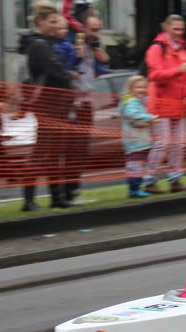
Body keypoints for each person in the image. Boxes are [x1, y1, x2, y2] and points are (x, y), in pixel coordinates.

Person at [18, 1, 76, 211]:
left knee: (54, 152)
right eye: (52, 21)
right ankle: (29, 200)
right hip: (48, 105)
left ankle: (56, 197)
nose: (55, 25)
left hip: (55, 105)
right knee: (41, 152)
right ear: (40, 21)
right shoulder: (40, 45)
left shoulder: (43, 43)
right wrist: (69, 77)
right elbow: (56, 71)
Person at [143, 14, 186, 195]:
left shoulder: (182, 51)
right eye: (175, 29)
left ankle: (175, 180)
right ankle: (150, 180)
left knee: (178, 144)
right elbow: (155, 76)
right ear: (165, 28)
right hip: (161, 104)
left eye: (181, 29)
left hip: (178, 104)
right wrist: (177, 71)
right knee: (162, 143)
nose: (178, 32)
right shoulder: (156, 49)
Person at [60, 13, 112, 204]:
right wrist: (75, 57)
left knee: (81, 150)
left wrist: (104, 59)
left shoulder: (94, 46)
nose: (96, 34)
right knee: (71, 149)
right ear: (81, 28)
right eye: (93, 30)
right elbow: (63, 69)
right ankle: (65, 193)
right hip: (72, 102)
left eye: (99, 29)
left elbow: (101, 66)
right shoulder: (72, 45)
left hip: (87, 102)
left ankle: (74, 190)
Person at [120, 75, 156, 198]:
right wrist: (150, 118)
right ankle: (134, 190)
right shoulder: (131, 102)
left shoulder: (138, 102)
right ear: (131, 88)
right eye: (138, 87)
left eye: (144, 87)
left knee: (139, 165)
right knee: (135, 166)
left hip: (141, 141)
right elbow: (132, 115)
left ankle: (136, 188)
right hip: (135, 141)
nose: (142, 90)